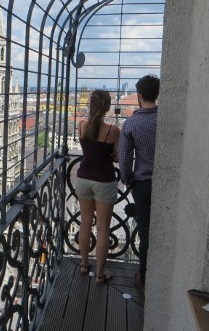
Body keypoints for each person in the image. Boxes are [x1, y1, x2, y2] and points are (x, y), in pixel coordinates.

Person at [118, 74, 160, 290]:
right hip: (166, 185)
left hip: (143, 185)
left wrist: (129, 182)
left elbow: (124, 159)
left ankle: (144, 278)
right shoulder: (166, 118)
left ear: (139, 96)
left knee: (145, 232)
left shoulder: (132, 123)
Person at [76, 89, 120, 284]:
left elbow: (88, 150)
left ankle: (84, 265)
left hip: (83, 178)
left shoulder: (82, 126)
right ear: (107, 107)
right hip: (104, 179)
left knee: (85, 222)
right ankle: (100, 275)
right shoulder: (113, 131)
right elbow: (117, 156)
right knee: (103, 228)